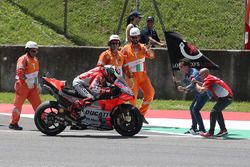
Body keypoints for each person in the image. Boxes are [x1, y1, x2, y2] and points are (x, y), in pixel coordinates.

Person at [121, 27, 155, 124]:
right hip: (131, 78)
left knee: (150, 94)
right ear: (130, 38)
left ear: (139, 37)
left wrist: (149, 50)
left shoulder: (143, 47)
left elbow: (152, 56)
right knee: (132, 99)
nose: (135, 39)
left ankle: (140, 114)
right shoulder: (125, 49)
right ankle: (132, 118)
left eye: (136, 37)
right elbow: (121, 62)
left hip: (143, 76)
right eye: (133, 37)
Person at [9, 41, 42, 130]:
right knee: (18, 105)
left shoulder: (35, 59)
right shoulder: (23, 59)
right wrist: (27, 81)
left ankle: (42, 122)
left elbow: (35, 74)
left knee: (38, 105)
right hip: (23, 86)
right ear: (27, 50)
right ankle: (13, 123)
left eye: (36, 51)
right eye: (33, 51)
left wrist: (37, 84)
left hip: (32, 87)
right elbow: (19, 73)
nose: (35, 53)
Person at [192, 68, 233, 137]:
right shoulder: (210, 78)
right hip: (226, 97)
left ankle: (210, 132)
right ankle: (223, 130)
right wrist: (197, 82)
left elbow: (201, 90)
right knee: (217, 112)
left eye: (200, 74)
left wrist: (195, 83)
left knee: (213, 112)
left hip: (226, 98)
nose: (199, 76)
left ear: (204, 74)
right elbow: (204, 85)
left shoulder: (208, 79)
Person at [177, 58, 209, 135]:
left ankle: (202, 129)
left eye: (181, 66)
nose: (179, 68)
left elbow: (192, 85)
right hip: (199, 93)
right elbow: (186, 82)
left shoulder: (193, 73)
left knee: (195, 109)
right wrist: (178, 82)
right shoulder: (187, 73)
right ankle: (194, 128)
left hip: (204, 93)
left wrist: (184, 88)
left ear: (186, 66)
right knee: (192, 109)